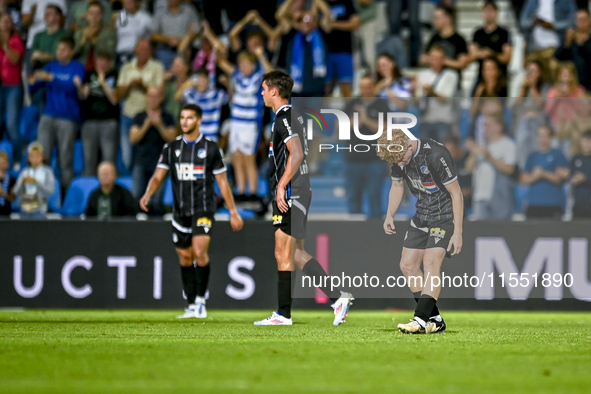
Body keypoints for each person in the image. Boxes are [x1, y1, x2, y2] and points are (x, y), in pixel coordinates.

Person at [254, 70, 354, 326]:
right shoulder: (289, 116)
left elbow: (296, 154)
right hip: (299, 189)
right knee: (295, 252)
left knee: (282, 252)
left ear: (274, 91)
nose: (262, 93)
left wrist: (280, 186)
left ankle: (283, 314)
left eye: (264, 88)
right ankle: (337, 297)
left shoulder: (284, 117)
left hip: (292, 191)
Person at [140, 103, 244, 319]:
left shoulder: (211, 148)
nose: (184, 122)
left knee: (199, 252)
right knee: (185, 257)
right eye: (182, 118)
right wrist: (148, 194)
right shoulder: (171, 149)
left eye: (189, 118)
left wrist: (233, 212)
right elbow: (158, 175)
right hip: (180, 211)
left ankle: (200, 302)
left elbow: (223, 183)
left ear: (199, 121)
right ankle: (190, 304)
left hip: (204, 207)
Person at [378, 130, 464, 334]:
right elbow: (397, 185)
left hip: (444, 216)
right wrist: (390, 214)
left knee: (430, 262)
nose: (398, 163)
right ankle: (435, 319)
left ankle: (421, 319)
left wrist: (458, 231)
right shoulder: (397, 157)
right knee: (407, 265)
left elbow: (456, 193)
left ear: (408, 145)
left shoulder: (435, 155)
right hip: (422, 215)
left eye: (400, 158)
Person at [29, 36, 84, 192]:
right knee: (41, 155)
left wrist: (51, 79)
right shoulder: (50, 66)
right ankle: (41, 193)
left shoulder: (77, 67)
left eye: (64, 49)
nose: (60, 52)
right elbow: (35, 87)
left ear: (71, 52)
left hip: (68, 117)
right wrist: (33, 81)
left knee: (65, 159)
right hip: (48, 114)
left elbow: (73, 87)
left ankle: (66, 195)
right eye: (59, 49)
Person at [217, 48, 272, 198]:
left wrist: (260, 56)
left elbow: (271, 72)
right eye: (241, 64)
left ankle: (252, 192)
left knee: (248, 158)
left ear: (253, 66)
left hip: (250, 124)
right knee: (237, 157)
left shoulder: (258, 79)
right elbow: (221, 62)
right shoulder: (237, 77)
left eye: (247, 64)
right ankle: (241, 192)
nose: (243, 67)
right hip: (236, 123)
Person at [344, 74, 389, 217]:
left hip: (375, 160)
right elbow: (340, 127)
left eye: (368, 87)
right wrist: (358, 121)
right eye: (362, 87)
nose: (365, 90)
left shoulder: (381, 105)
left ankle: (376, 236)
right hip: (353, 160)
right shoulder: (351, 104)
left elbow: (386, 128)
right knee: (353, 199)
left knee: (375, 199)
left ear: (373, 87)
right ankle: (353, 235)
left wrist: (366, 119)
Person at [116, 38, 165, 171]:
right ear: (135, 50)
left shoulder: (157, 67)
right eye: (141, 48)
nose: (143, 51)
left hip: (147, 115)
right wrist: (130, 85)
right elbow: (118, 95)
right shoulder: (126, 68)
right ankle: (130, 182)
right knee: (127, 154)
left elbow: (160, 93)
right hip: (129, 114)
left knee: (144, 154)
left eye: (146, 49)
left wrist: (143, 86)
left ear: (150, 51)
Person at [130, 85, 176, 215]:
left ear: (161, 98)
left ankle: (155, 229)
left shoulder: (167, 117)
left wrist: (160, 125)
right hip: (141, 161)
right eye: (150, 96)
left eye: (156, 96)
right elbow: (133, 138)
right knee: (137, 196)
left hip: (160, 164)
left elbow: (172, 138)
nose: (153, 99)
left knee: (156, 200)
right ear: (146, 97)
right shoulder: (139, 116)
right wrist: (147, 124)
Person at [74, 50, 119, 177]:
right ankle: (90, 186)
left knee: (108, 157)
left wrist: (103, 82)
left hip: (108, 121)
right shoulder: (89, 75)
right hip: (89, 121)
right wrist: (79, 87)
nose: (101, 64)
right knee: (89, 158)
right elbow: (82, 96)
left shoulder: (115, 75)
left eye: (104, 62)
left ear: (110, 63)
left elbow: (114, 99)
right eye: (99, 61)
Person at [466, 114, 517, 220]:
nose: (485, 128)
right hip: (480, 195)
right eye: (484, 125)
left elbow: (510, 169)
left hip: (499, 196)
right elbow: (468, 168)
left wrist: (489, 156)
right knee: (481, 233)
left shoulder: (508, 144)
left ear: (499, 126)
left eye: (488, 125)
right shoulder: (481, 144)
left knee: (500, 231)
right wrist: (474, 153)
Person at [520, 125, 570, 218]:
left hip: (553, 202)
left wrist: (543, 173)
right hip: (534, 202)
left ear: (551, 138)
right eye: (540, 136)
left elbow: (559, 178)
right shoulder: (532, 156)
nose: (542, 139)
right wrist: (535, 176)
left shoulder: (557, 154)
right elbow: (524, 179)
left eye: (545, 136)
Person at [520, 0, 576, 81]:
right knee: (533, 80)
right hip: (534, 47)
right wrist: (534, 22)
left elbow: (572, 22)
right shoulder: (532, 1)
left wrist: (552, 25)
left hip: (555, 47)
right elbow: (523, 22)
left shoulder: (566, 1)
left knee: (556, 79)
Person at [415, 45, 459, 142]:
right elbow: (418, 101)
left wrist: (432, 91)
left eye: (439, 58)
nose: (436, 61)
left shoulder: (451, 75)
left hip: (443, 121)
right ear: (429, 59)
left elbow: (446, 99)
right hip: (425, 120)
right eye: (433, 58)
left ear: (444, 60)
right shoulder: (422, 75)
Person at [512, 60, 551, 169]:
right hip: (522, 122)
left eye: (534, 71)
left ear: (539, 73)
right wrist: (523, 90)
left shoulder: (545, 87)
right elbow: (515, 107)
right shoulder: (521, 87)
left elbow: (541, 105)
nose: (531, 74)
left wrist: (533, 87)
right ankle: (523, 168)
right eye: (529, 71)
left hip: (538, 122)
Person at [469, 0, 512, 95]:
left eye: (491, 11)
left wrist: (491, 54)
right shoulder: (478, 33)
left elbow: (507, 57)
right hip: (481, 76)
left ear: (496, 13)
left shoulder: (503, 33)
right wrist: (483, 54)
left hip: (499, 79)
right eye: (486, 11)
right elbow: (472, 55)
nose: (488, 14)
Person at [422, 5, 469, 88]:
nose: (434, 21)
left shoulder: (459, 40)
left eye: (437, 18)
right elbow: (423, 58)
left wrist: (441, 60)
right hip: (435, 83)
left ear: (448, 19)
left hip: (452, 84)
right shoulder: (434, 38)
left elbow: (462, 63)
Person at [0, 12, 24, 167]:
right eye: (3, 21)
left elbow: (15, 59)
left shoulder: (16, 40)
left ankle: (16, 158)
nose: (5, 24)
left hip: (13, 87)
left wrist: (5, 45)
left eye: (8, 21)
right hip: (0, 86)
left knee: (11, 124)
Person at [180, 67, 228, 142]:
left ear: (208, 80)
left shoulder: (216, 95)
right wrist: (189, 83)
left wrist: (227, 84)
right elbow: (177, 97)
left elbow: (231, 99)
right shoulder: (191, 94)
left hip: (211, 139)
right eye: (199, 79)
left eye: (204, 79)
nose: (202, 83)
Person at [323, 0, 360, 97]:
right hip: (325, 52)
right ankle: (320, 112)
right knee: (326, 88)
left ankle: (349, 111)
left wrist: (333, 24)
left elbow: (355, 23)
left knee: (346, 86)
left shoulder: (346, 2)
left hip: (344, 50)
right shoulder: (321, 4)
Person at [150, 0, 199, 70]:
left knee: (187, 53)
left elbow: (196, 31)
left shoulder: (189, 10)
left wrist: (184, 41)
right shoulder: (160, 12)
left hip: (185, 46)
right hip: (166, 48)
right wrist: (168, 39)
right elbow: (153, 35)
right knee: (162, 56)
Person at [73, 1, 117, 72]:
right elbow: (72, 54)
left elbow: (110, 53)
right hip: (81, 70)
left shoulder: (109, 33)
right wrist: (83, 42)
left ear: (102, 15)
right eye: (91, 13)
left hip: (102, 70)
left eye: (97, 14)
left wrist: (94, 41)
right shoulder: (80, 33)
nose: (94, 17)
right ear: (86, 15)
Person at [13, 142, 55, 217]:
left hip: (40, 208)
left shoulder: (48, 172)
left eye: (37, 156)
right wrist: (22, 184)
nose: (35, 159)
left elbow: (50, 190)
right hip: (25, 208)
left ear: (42, 157)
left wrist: (37, 183)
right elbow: (16, 191)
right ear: (29, 158)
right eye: (32, 156)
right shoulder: (24, 172)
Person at [555, 8, 591, 92]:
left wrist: (581, 44)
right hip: (573, 85)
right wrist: (567, 42)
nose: (581, 22)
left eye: (584, 19)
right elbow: (558, 56)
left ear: (589, 21)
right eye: (578, 19)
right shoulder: (571, 40)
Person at [29, 5, 69, 71]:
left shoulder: (65, 35)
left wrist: (41, 56)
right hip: (40, 70)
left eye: (50, 13)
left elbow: (60, 56)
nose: (46, 15)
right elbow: (33, 56)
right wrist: (48, 56)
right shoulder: (38, 35)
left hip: (59, 70)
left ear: (57, 17)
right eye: (45, 13)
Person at [114, 0, 153, 68]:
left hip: (136, 54)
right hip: (121, 52)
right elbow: (119, 30)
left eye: (129, 2)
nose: (127, 4)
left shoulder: (145, 17)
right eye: (125, 3)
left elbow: (152, 35)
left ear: (136, 2)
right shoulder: (122, 15)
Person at [570, 130, 591, 218]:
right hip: (578, 202)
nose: (587, 144)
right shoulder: (575, 158)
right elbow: (569, 175)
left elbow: (584, 177)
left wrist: (585, 178)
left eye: (589, 141)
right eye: (585, 140)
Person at [0, 150, 15, 215]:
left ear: (8, 164)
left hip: (6, 212)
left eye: (3, 163)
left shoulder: (12, 180)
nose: (1, 165)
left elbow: (12, 199)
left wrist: (3, 193)